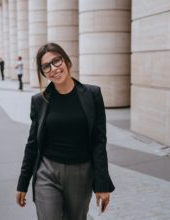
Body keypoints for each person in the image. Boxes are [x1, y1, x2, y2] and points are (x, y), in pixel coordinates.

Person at [16, 43, 115, 220]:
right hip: (47, 172)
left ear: (66, 61)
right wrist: (22, 183)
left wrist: (102, 183)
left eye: (56, 61)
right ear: (43, 73)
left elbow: (99, 142)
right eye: (46, 66)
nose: (53, 68)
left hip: (81, 174)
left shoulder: (92, 95)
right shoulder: (39, 101)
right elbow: (32, 145)